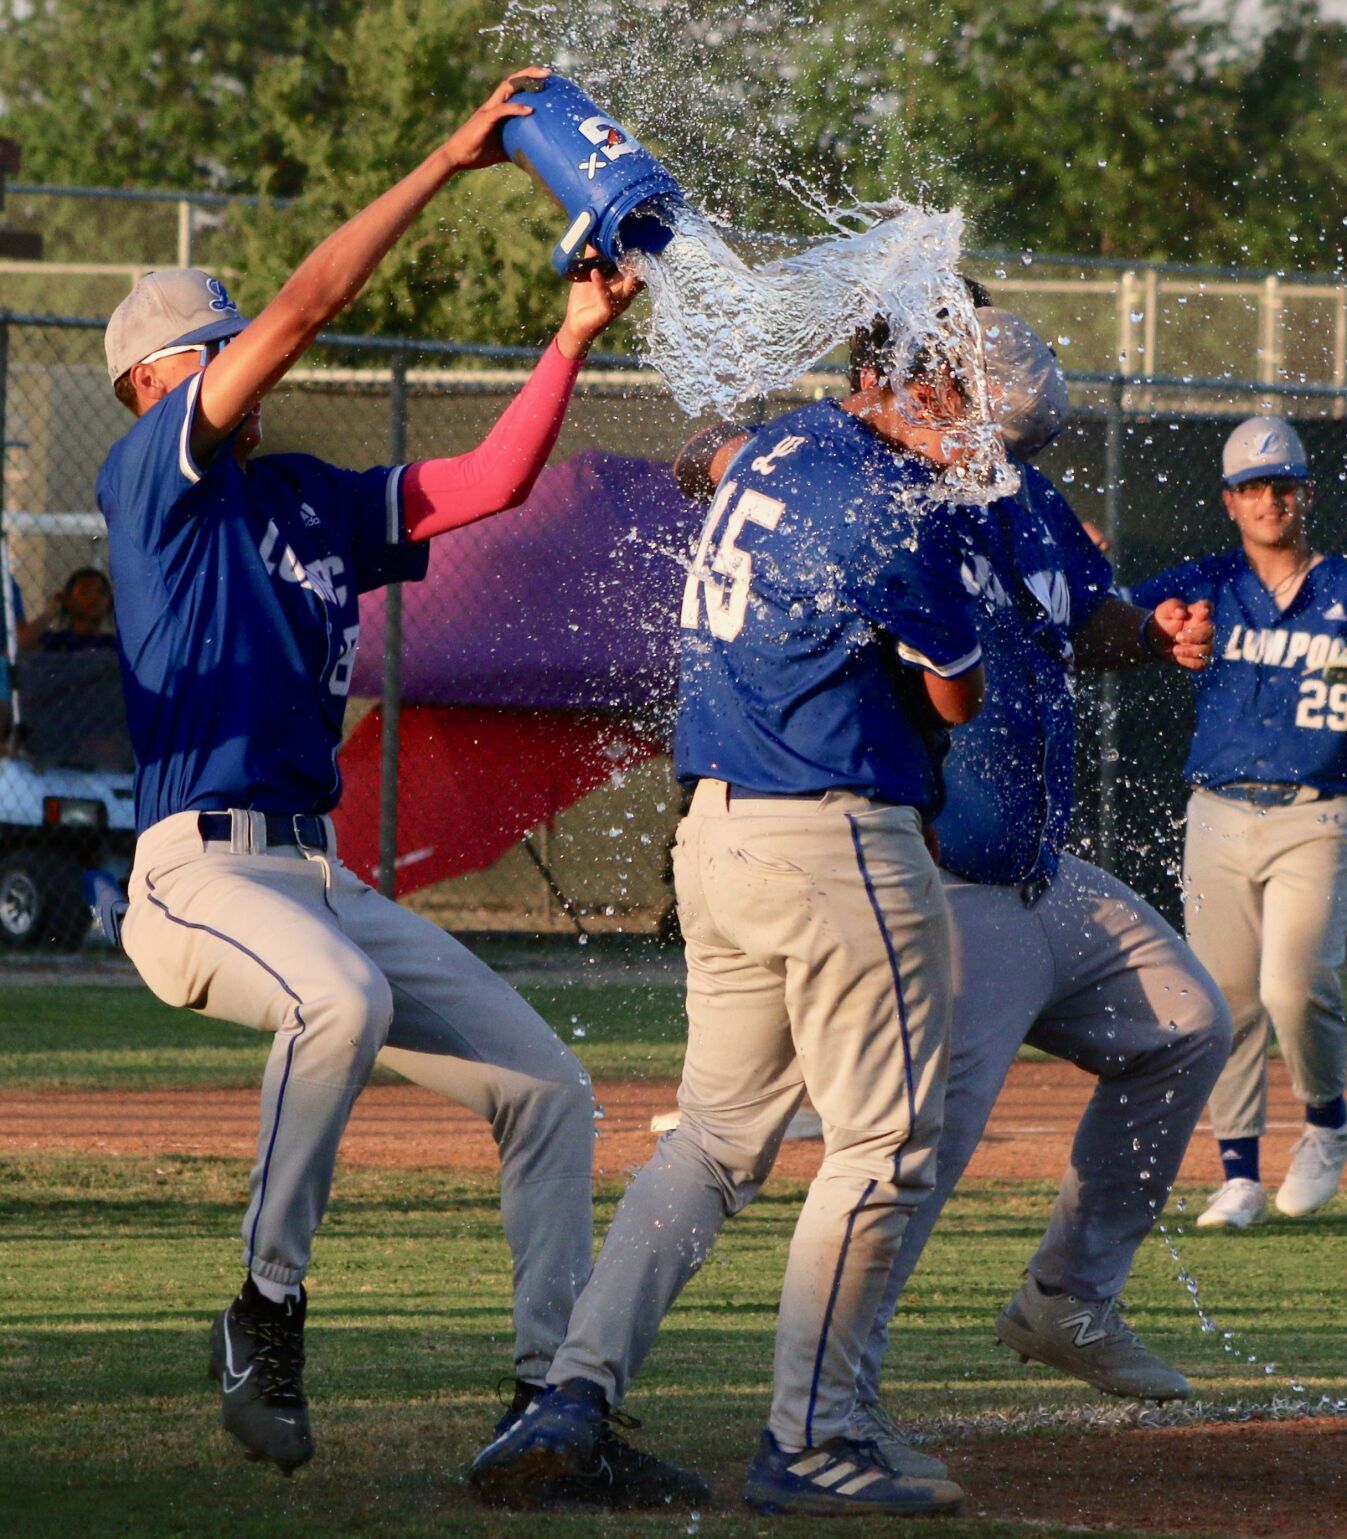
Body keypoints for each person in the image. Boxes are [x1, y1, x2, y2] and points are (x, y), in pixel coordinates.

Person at [94, 68, 660, 1491]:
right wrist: (445, 156)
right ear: (152, 385)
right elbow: (305, 310)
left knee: (547, 1090)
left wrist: (573, 336)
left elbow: (488, 486)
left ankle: (551, 1399)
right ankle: (262, 1308)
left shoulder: (305, 500)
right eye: (207, 353)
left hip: (312, 873)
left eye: (229, 344)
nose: (239, 359)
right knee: (335, 1001)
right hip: (195, 871)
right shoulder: (150, 480)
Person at [663, 307, 1231, 1475]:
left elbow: (1090, 621)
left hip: (1040, 872)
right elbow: (719, 458)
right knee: (908, 1160)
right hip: (945, 879)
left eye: (1020, 440)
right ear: (951, 401)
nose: (1005, 456)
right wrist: (722, 446)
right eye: (999, 432)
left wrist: (1154, 629)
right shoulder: (891, 493)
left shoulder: (1020, 502)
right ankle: (831, 1413)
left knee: (1186, 1025)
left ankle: (1067, 1300)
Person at [469, 314, 987, 1517]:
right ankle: (813, 1437)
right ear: (883, 378)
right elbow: (955, 696)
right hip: (831, 831)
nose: (965, 400)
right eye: (946, 373)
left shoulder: (787, 443)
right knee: (885, 1147)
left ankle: (571, 1393)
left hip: (716, 830)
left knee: (710, 1141)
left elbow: (717, 450)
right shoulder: (895, 495)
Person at [1130, 418, 1347, 1230]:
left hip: (1316, 809)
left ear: (1305, 494)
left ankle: (1327, 1123)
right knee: (1225, 997)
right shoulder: (1208, 582)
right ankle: (1238, 1173)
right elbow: (1121, 617)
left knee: (1293, 987)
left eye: (1280, 485)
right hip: (1218, 808)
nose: (1268, 500)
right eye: (1251, 487)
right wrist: (1163, 631)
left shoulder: (1341, 587)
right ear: (1228, 501)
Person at [16, 566, 118, 652]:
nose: (94, 597)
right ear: (68, 600)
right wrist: (50, 612)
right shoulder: (55, 641)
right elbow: (21, 645)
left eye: (101, 592)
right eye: (84, 592)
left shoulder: (113, 644)